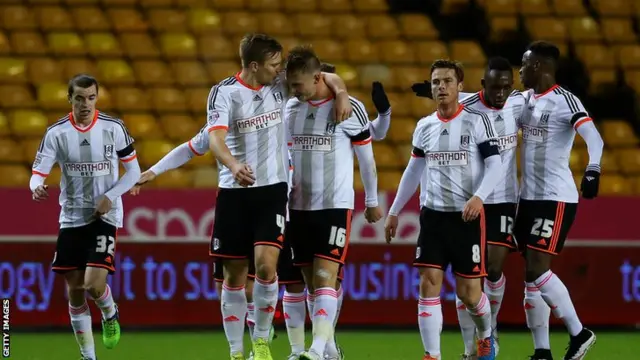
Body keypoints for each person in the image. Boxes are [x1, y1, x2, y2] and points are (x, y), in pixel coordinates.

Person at [205, 33, 352, 360]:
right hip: (234, 190)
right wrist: (232, 164)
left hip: (272, 190)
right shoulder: (224, 93)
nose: (279, 70)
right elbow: (214, 139)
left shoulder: (278, 84)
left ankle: (260, 341)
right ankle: (236, 351)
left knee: (267, 267)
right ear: (254, 66)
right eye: (274, 65)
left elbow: (321, 73)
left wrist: (341, 92)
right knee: (233, 276)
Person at [384, 60, 503, 360]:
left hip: (467, 218)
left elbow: (496, 164)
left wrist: (478, 197)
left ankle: (486, 335)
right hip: (433, 217)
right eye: (436, 82)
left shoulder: (476, 121)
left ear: (460, 86)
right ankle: (432, 355)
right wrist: (395, 210)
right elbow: (413, 172)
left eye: (448, 81)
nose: (441, 87)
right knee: (428, 284)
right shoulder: (424, 126)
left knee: (469, 295)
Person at [30, 74, 141, 360]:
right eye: (79, 98)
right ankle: (88, 356)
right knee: (75, 291)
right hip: (72, 217)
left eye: (91, 98)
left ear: (97, 98)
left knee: (93, 284)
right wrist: (36, 187)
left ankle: (110, 311)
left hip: (105, 215)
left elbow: (134, 173)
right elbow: (38, 173)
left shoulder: (113, 128)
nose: (85, 104)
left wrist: (111, 196)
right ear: (70, 99)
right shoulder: (56, 133)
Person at [283, 45, 383, 360]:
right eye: (292, 85)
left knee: (326, 276)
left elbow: (367, 161)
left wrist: (372, 199)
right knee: (312, 285)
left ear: (317, 78)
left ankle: (313, 350)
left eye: (298, 84)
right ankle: (328, 349)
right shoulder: (291, 108)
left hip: (334, 206)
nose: (294, 90)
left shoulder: (349, 107)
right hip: (298, 207)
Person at [517, 41, 602, 360]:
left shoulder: (566, 101)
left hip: (556, 197)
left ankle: (580, 333)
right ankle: (542, 350)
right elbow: (488, 106)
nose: (520, 71)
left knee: (538, 269)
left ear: (538, 66)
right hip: (526, 198)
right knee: (529, 274)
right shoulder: (522, 100)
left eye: (524, 65)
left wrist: (593, 170)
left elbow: (595, 137)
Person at [446, 57, 525, 359]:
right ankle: (471, 348)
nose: (501, 93)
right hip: (469, 199)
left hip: (503, 199)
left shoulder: (518, 105)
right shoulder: (467, 107)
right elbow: (451, 100)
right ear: (483, 85)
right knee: (469, 278)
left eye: (506, 87)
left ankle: (490, 330)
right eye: (494, 87)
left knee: (492, 268)